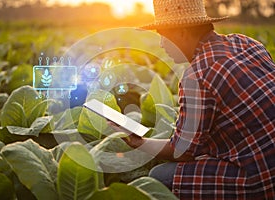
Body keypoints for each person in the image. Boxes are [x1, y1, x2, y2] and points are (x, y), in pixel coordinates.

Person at [109, 0, 275, 199]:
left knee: (158, 177)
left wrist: (138, 141)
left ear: (181, 32)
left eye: (163, 35)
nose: (161, 44)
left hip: (259, 178)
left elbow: (182, 151)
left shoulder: (196, 76)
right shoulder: (247, 43)